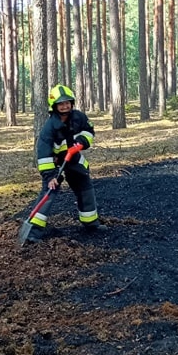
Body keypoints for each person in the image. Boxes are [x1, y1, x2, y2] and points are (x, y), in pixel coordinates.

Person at [24, 83, 107, 242]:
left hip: (73, 159)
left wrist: (83, 140)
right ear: (54, 106)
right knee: (49, 193)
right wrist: (50, 177)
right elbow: (43, 154)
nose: (64, 106)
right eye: (61, 104)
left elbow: (89, 131)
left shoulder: (79, 117)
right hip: (55, 164)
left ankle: (91, 224)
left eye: (67, 102)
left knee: (85, 188)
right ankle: (32, 233)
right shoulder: (49, 128)